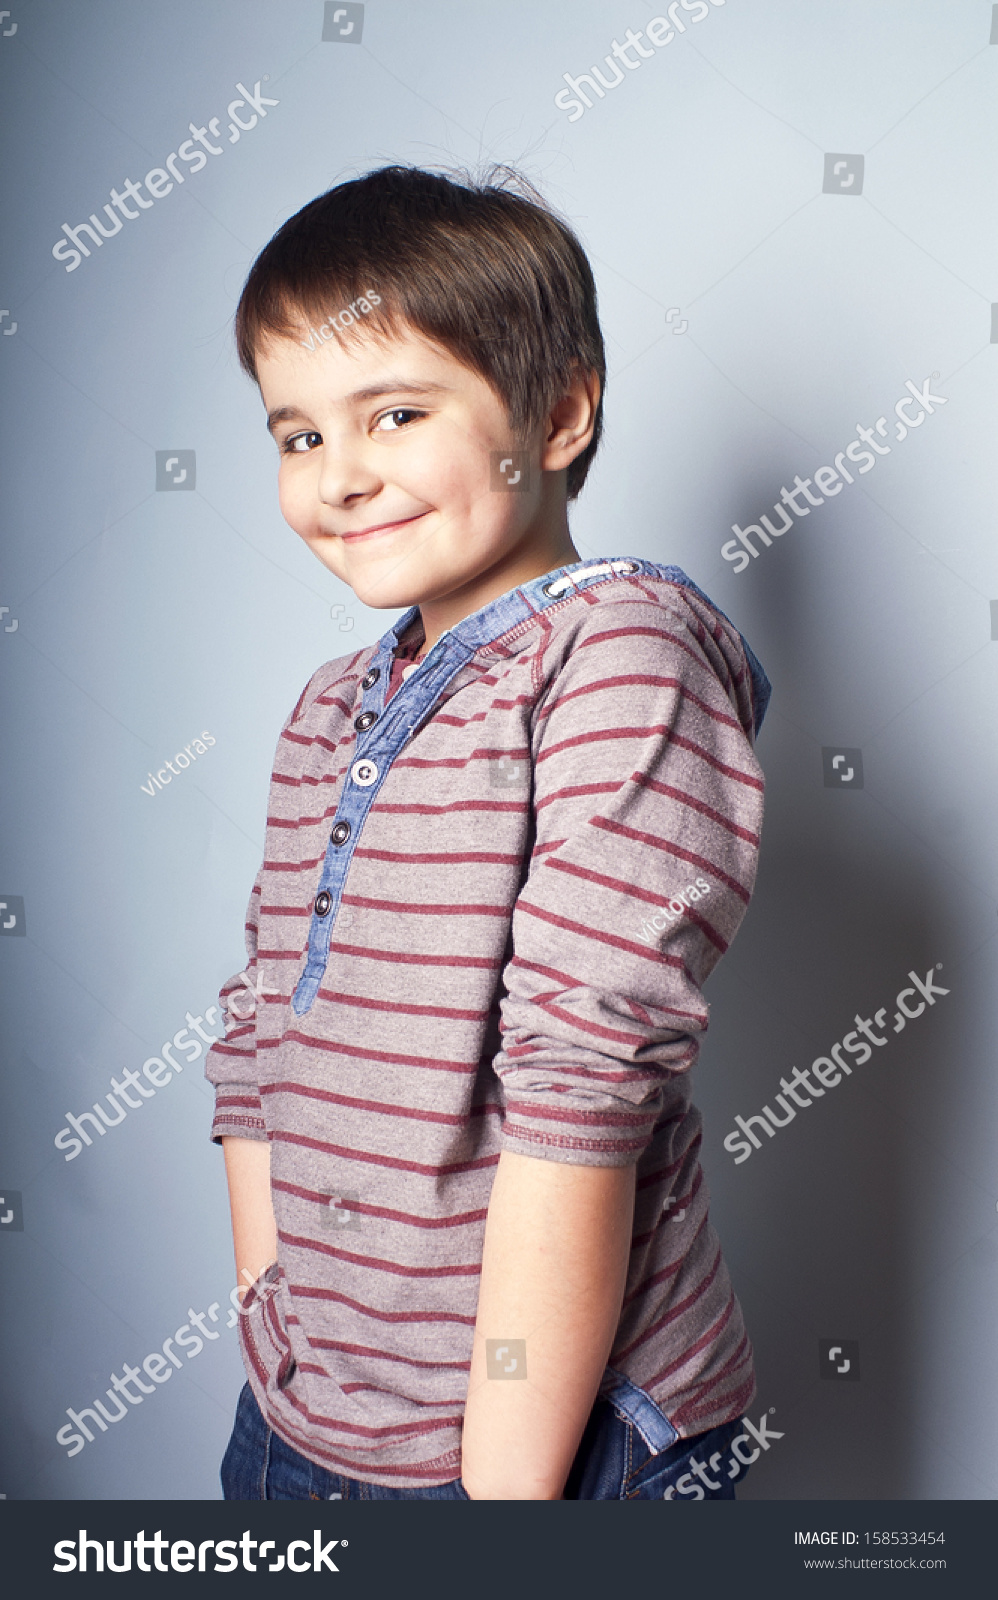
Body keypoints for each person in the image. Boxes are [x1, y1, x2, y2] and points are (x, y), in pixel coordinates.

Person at [206, 164, 770, 1502]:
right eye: (297, 436)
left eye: (392, 413)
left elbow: (581, 1096)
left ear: (559, 413)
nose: (339, 477)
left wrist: (502, 1504)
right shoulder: (330, 706)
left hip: (543, 1447)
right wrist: (273, 1332)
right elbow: (254, 1040)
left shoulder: (620, 655)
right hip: (305, 1423)